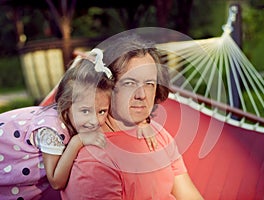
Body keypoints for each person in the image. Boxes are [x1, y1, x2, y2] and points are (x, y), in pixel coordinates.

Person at [61, 34, 204, 199]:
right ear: (106, 86)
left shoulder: (157, 134)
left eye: (149, 84)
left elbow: (189, 195)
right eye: (129, 83)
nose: (142, 95)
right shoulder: (95, 160)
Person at [0, 49, 113, 200]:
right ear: (66, 106)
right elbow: (56, 181)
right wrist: (77, 141)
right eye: (86, 111)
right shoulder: (51, 130)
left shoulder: (75, 116)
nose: (95, 121)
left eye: (102, 111)